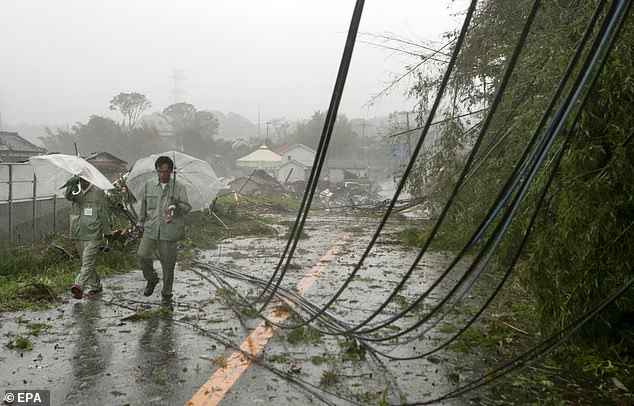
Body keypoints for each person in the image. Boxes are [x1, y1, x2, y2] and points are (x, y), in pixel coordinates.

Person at [136, 155, 191, 305]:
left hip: (169, 231)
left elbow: (187, 207)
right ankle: (152, 279)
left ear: (171, 171)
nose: (162, 175)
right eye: (159, 171)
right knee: (142, 255)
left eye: (165, 172)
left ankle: (166, 295)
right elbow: (144, 205)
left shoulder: (178, 188)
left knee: (168, 265)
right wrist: (140, 221)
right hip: (151, 228)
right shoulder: (149, 186)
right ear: (156, 170)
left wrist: (176, 206)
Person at [64, 176, 112, 300]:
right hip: (78, 232)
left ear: (90, 180)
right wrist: (72, 185)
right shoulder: (76, 191)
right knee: (87, 263)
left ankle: (78, 285)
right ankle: (96, 285)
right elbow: (68, 197)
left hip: (93, 233)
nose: (83, 183)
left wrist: (107, 232)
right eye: (80, 181)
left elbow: (103, 212)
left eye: (85, 181)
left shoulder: (98, 192)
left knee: (87, 262)